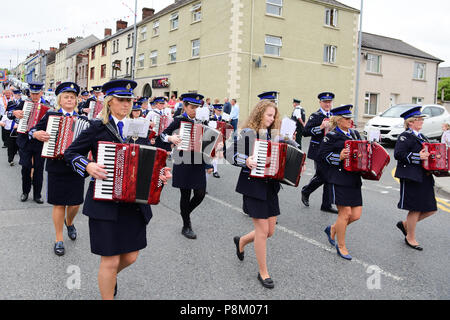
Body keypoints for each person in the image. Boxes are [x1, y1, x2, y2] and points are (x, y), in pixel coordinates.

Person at [64, 79, 172, 299]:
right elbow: (71, 153)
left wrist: (161, 174)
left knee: (131, 256)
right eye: (122, 100)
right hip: (104, 203)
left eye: (130, 100)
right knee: (110, 260)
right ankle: (108, 284)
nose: (126, 104)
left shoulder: (141, 128)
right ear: (110, 102)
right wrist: (88, 165)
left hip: (133, 204)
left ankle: (109, 276)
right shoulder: (97, 127)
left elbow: (149, 162)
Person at [228, 98, 282, 289]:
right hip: (252, 185)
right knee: (262, 231)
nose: (271, 118)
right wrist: (246, 160)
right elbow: (231, 154)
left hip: (270, 186)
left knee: (270, 231)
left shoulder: (272, 135)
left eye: (273, 115)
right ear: (260, 114)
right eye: (268, 115)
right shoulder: (248, 133)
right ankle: (263, 273)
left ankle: (241, 240)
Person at [32, 82, 88, 256]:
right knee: (58, 203)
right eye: (66, 97)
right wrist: (36, 134)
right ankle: (59, 239)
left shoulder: (84, 121)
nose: (69, 99)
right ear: (60, 100)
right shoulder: (51, 116)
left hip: (76, 166)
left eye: (72, 97)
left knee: (75, 203)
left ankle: (69, 222)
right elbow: (33, 129)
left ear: (76, 100)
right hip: (56, 165)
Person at [160, 93, 213, 239]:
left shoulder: (201, 122)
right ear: (184, 106)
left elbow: (206, 144)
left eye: (197, 107)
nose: (195, 110)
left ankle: (185, 213)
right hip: (183, 161)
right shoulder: (178, 121)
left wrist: (209, 161)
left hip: (197, 161)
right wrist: (170, 138)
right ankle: (186, 224)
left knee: (200, 194)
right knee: (185, 194)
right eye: (192, 107)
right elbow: (163, 135)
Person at [318, 105, 363, 261]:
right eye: (347, 118)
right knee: (345, 214)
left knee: (356, 215)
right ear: (338, 120)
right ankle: (341, 246)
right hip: (338, 178)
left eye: (351, 118)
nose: (351, 121)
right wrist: (339, 157)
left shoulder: (355, 133)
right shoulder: (331, 136)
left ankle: (332, 229)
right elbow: (322, 155)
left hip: (354, 179)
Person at [394, 106, 437, 251]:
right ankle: (410, 237)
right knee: (416, 208)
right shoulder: (404, 136)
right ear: (411, 122)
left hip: (424, 176)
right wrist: (417, 156)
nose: (422, 122)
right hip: (411, 176)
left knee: (430, 209)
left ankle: (406, 225)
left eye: (421, 119)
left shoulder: (421, 136)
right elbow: (398, 154)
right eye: (419, 119)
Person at [7, 82, 48, 203]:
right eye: (32, 94)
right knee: (25, 167)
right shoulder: (23, 103)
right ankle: (25, 192)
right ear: (29, 93)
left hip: (40, 142)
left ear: (41, 93)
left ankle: (37, 195)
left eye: (37, 94)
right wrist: (14, 113)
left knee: (39, 169)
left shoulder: (47, 106)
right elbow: (9, 115)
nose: (35, 96)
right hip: (25, 141)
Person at [301, 92, 337, 214]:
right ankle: (306, 191)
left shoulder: (334, 115)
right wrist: (320, 127)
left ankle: (326, 204)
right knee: (323, 175)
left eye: (329, 102)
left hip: (331, 150)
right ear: (320, 102)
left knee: (328, 176)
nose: (327, 104)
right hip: (318, 150)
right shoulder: (315, 116)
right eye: (325, 102)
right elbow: (305, 132)